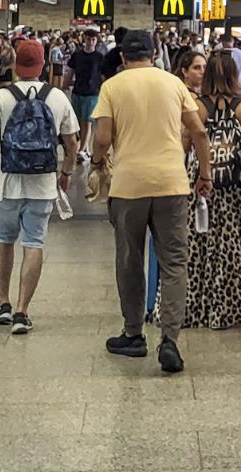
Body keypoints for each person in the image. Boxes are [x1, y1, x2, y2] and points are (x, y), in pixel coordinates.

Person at [91, 29, 211, 373]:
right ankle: (170, 339)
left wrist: (99, 162)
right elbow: (199, 131)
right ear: (156, 53)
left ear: (124, 57)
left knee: (130, 259)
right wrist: (205, 174)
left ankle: (133, 334)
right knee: (174, 261)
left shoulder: (112, 87)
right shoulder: (174, 84)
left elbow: (102, 137)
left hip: (128, 185)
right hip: (172, 183)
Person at [0, 40, 78, 336]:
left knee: (4, 238)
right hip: (43, 185)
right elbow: (72, 142)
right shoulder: (57, 97)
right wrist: (66, 172)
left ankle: (2, 302)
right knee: (34, 242)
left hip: (6, 184)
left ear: (16, 66)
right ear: (43, 65)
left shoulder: (1, 97)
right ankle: (21, 311)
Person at [182, 50, 241, 330]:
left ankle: (197, 306)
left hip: (202, 182)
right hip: (238, 184)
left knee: (200, 244)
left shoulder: (196, 107)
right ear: (235, 75)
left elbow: (184, 146)